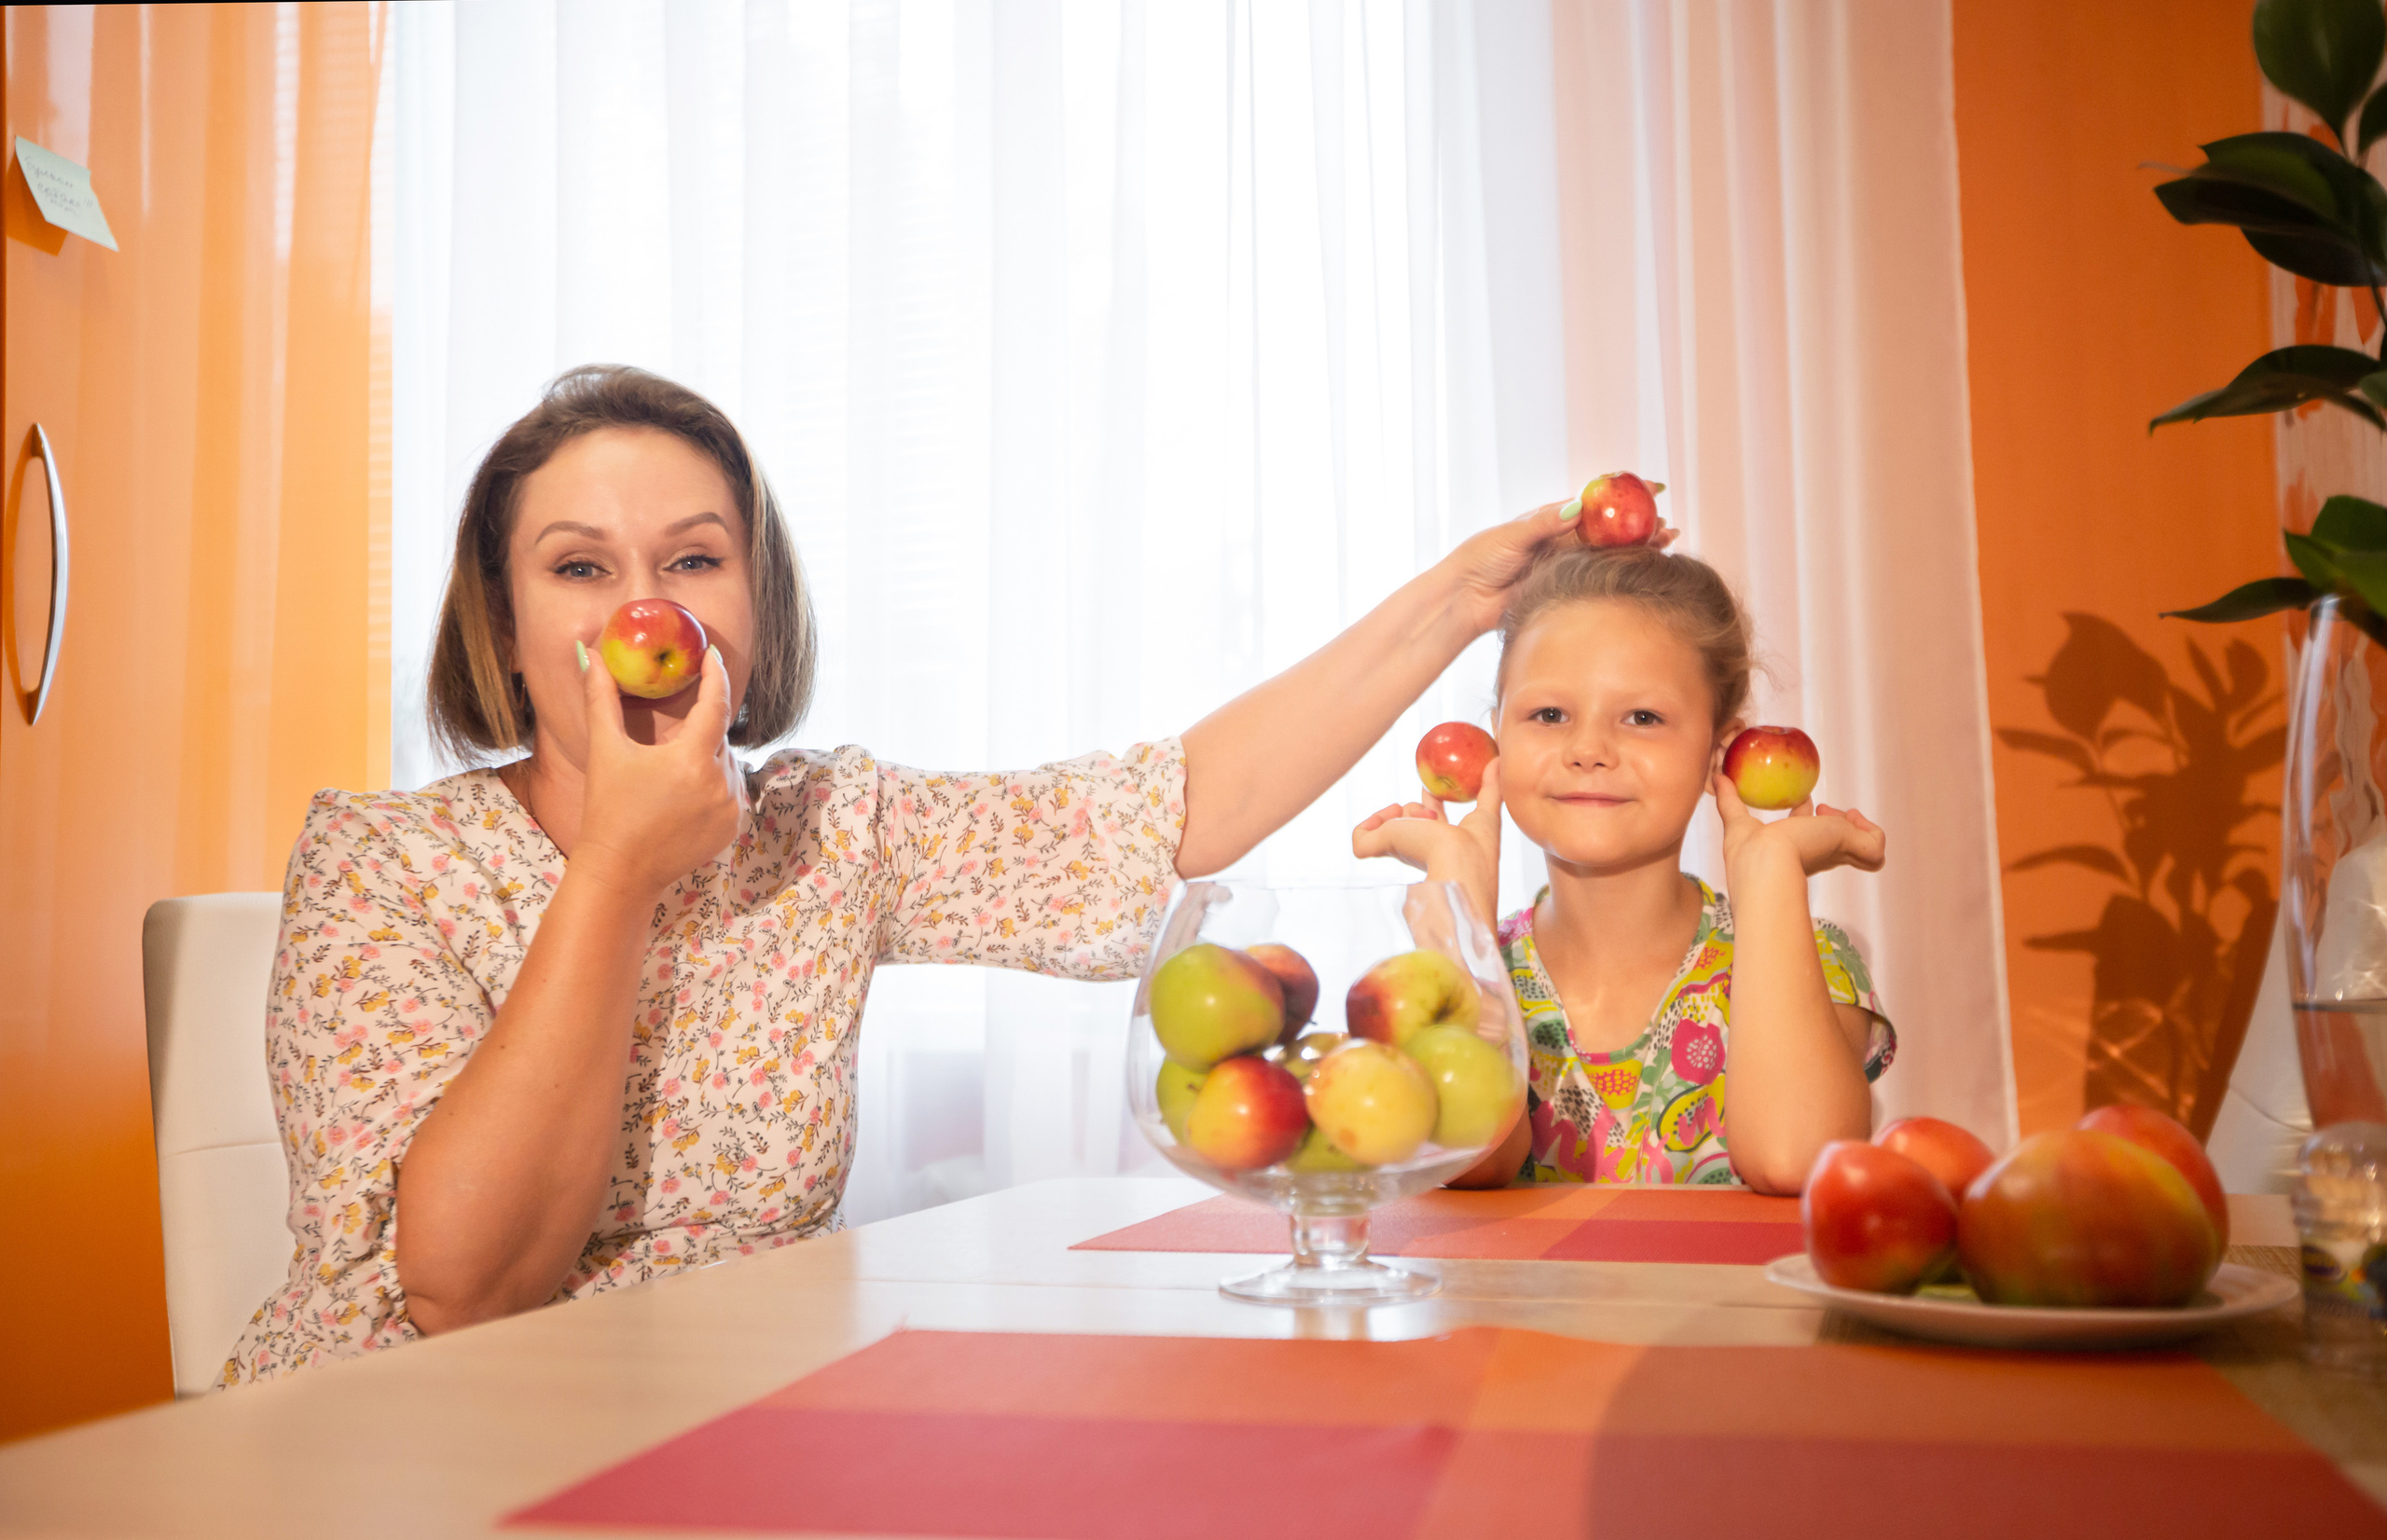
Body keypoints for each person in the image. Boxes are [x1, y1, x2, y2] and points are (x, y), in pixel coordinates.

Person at [224, 364, 1595, 1385]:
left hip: (704, 1430)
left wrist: (1457, 603)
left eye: (696, 558)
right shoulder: (378, 861)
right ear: (508, 625)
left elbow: (1171, 809)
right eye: (581, 566)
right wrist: (620, 873)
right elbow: (469, 1286)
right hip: (401, 1440)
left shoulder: (832, 830)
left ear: (755, 607)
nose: (648, 608)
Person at [1352, 543, 1894, 1194]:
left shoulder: (1806, 957)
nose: (1588, 749)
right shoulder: (1459, 973)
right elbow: (1475, 1162)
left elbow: (1794, 1160)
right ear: (1498, 738)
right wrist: (1455, 889)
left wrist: (1771, 867)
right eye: (1549, 715)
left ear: (1719, 753)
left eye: (1642, 717)